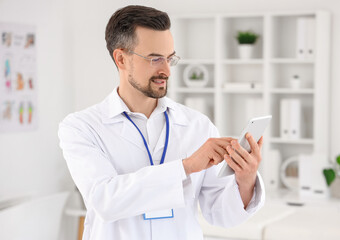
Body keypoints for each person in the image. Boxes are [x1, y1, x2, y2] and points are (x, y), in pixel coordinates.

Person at [58, 5, 265, 240]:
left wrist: (245, 180)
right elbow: (105, 200)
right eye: (155, 58)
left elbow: (220, 215)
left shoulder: (198, 125)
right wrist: (186, 167)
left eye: (170, 58)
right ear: (121, 58)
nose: (166, 70)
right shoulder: (81, 127)